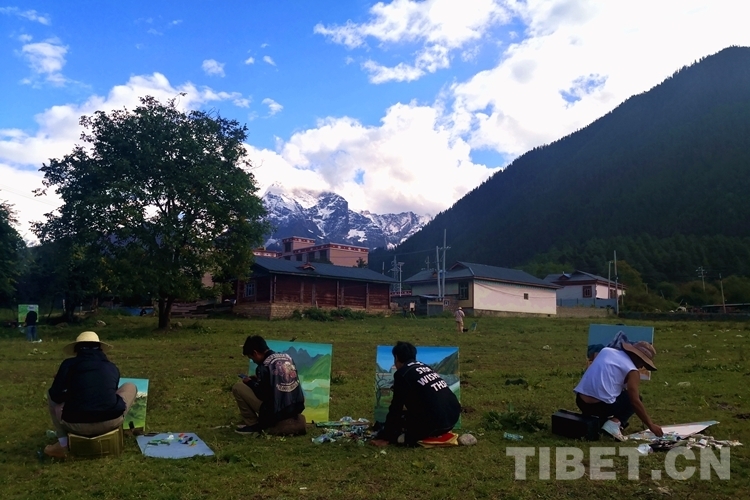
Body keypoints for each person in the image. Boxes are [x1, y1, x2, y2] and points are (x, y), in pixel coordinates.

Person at [44, 331, 136, 458]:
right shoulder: (111, 367)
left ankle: (63, 444)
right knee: (130, 386)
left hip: (75, 424)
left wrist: (69, 389)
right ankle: (126, 430)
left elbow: (55, 395)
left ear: (76, 349)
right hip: (111, 421)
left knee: (50, 395)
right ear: (100, 349)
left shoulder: (68, 364)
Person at [371, 341, 461, 447]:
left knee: (401, 431)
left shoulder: (402, 374)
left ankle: (400, 438)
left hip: (435, 425)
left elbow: (396, 407)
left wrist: (386, 437)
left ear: (396, 357)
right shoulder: (425, 367)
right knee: (405, 416)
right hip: (452, 419)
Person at [574, 340, 663, 441]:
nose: (641, 367)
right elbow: (635, 401)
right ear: (637, 357)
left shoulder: (606, 351)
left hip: (581, 401)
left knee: (617, 394)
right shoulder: (632, 371)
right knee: (634, 398)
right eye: (642, 362)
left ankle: (598, 420)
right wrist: (650, 425)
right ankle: (614, 423)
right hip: (601, 407)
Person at [233, 335, 305, 434]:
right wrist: (259, 380)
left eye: (251, 358)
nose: (253, 361)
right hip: (295, 408)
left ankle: (253, 424)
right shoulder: (287, 358)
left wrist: (250, 382)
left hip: (276, 411)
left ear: (255, 353)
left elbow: (262, 394)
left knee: (238, 387)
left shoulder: (263, 366)